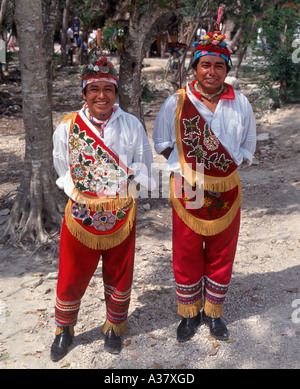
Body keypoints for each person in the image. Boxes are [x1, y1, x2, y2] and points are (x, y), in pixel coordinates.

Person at [153, 23, 256, 343]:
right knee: (186, 251)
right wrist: (193, 167)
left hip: (226, 189)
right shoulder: (176, 102)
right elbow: (163, 142)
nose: (212, 71)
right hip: (187, 186)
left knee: (221, 252)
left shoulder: (240, 103)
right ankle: (189, 313)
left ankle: (214, 313)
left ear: (226, 69)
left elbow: (246, 148)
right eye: (205, 64)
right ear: (195, 67)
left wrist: (217, 168)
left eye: (219, 65)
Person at [50, 54, 154, 361]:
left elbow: (144, 165)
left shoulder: (131, 124)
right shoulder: (68, 127)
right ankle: (64, 329)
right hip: (81, 213)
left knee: (119, 271)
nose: (101, 95)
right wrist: (83, 192)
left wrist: (124, 185)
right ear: (84, 93)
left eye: (107, 89)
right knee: (72, 273)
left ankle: (114, 327)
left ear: (116, 93)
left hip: (121, 212)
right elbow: (62, 168)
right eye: (93, 88)